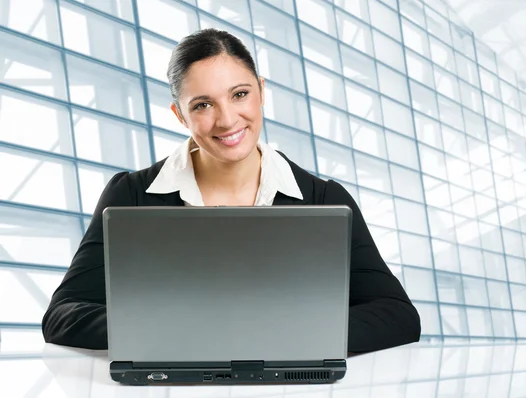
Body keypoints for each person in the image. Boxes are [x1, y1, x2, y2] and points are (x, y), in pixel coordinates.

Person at [42, 28, 421, 354]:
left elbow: (397, 315)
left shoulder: (323, 198)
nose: (227, 119)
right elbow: (63, 315)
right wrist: (185, 329)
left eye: (239, 94)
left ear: (261, 91)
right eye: (203, 104)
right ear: (180, 115)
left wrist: (273, 331)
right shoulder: (132, 194)